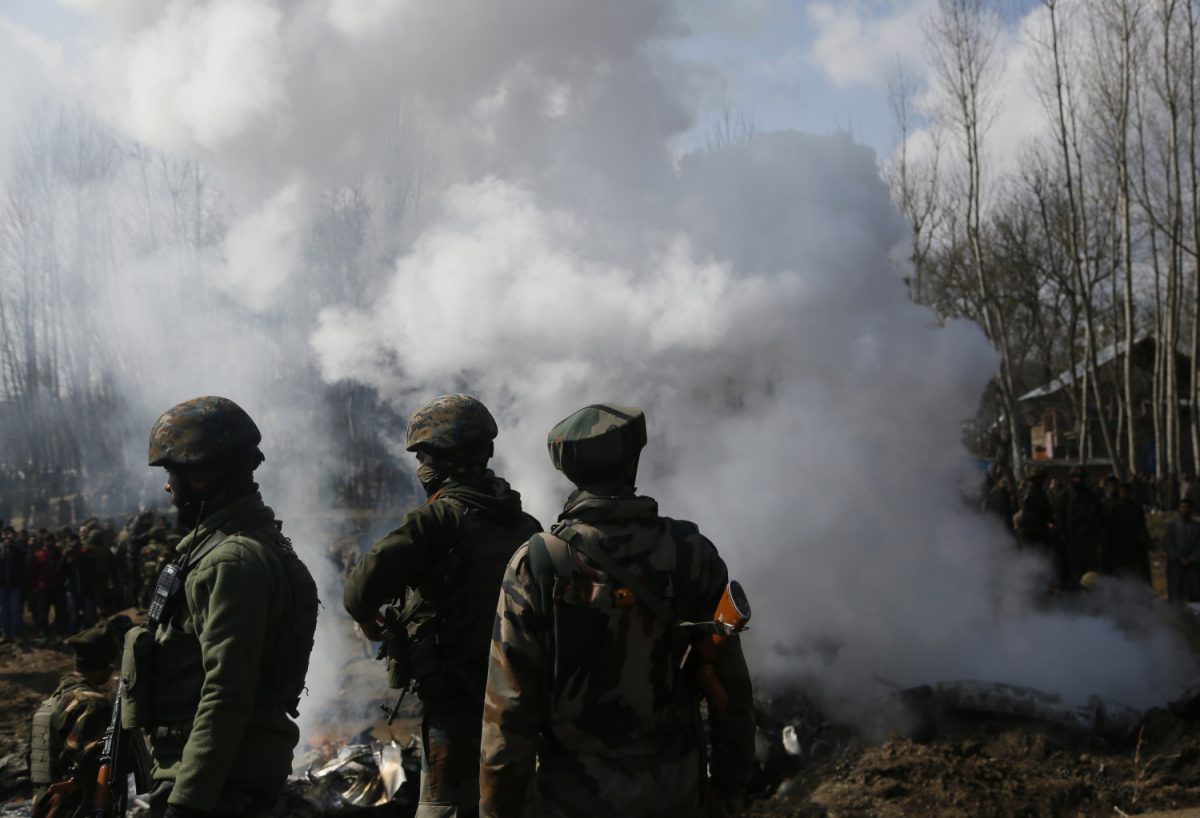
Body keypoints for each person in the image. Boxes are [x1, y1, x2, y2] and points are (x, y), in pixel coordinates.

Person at [480, 403, 757, 818]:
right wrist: (730, 787)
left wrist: (499, 810)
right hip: (676, 791)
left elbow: (508, 711)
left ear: (568, 472)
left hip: (572, 799)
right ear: (633, 459)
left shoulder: (538, 563)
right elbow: (729, 688)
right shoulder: (690, 553)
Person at [343, 394, 541, 818]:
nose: (420, 466)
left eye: (423, 456)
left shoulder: (435, 520)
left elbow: (358, 592)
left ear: (442, 459)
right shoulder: (526, 525)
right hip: (519, 704)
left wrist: (369, 619)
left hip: (455, 705)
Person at [121, 396, 319, 818]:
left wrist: (187, 802)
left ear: (201, 477)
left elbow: (226, 692)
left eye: (172, 472)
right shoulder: (230, 546)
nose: (167, 486)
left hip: (220, 783)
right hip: (222, 775)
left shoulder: (231, 561)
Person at [30, 620, 122, 816]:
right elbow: (94, 762)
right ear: (102, 666)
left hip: (45, 803)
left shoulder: (55, 699)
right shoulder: (90, 703)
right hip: (74, 807)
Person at [1053, 466, 1106, 590]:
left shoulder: (1091, 496)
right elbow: (1060, 519)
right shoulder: (1065, 496)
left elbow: (1098, 516)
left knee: (1090, 574)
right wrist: (1065, 538)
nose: (1078, 480)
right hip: (1071, 543)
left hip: (1089, 542)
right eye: (1075, 477)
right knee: (1073, 574)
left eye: (1080, 477)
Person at [1101, 481, 1152, 584]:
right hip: (1119, 545)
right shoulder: (1115, 507)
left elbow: (1141, 525)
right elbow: (1110, 526)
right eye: (1121, 491)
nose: (1122, 494)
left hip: (1134, 545)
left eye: (1124, 492)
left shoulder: (1136, 507)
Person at [1163, 496, 1200, 605]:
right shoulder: (1171, 524)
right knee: (1175, 591)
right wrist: (1178, 557)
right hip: (1176, 563)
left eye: (1187, 507)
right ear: (1179, 508)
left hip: (1193, 564)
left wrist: (1192, 558)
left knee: (1193, 591)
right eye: (1182, 507)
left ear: (1191, 509)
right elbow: (1168, 542)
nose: (1185, 509)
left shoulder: (1197, 526)